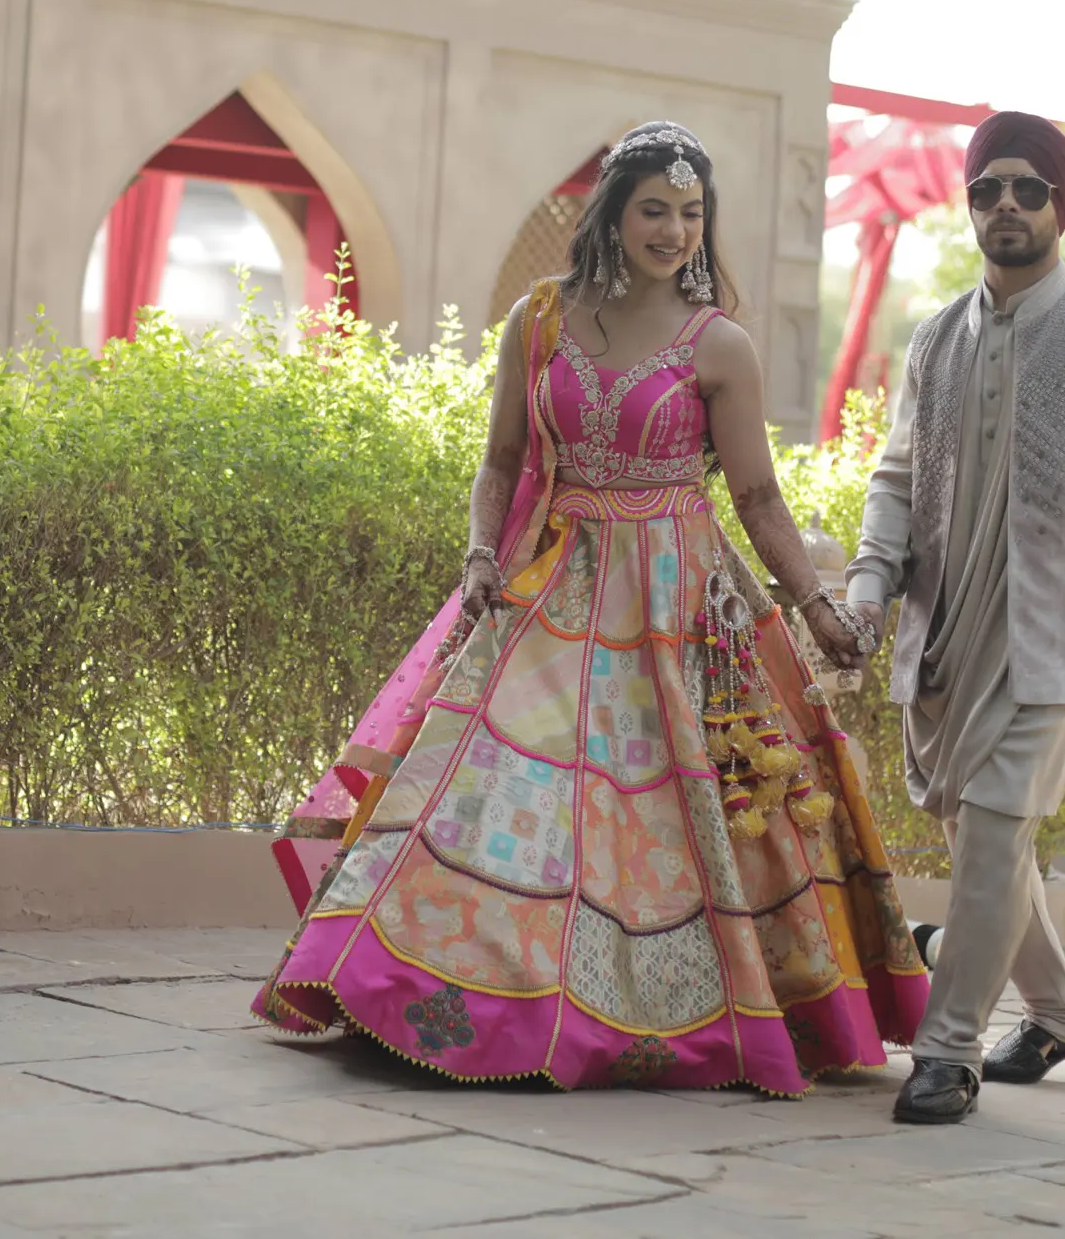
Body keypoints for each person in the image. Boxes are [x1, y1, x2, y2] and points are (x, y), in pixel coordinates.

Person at [254, 122, 928, 1094]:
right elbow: (501, 462)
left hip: (677, 606)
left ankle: (653, 1011)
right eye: (653, 209)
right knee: (497, 785)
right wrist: (480, 555)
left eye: (690, 213)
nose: (673, 231)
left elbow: (756, 497)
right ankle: (441, 992)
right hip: (553, 587)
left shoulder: (720, 344)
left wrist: (816, 607)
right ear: (612, 212)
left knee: (667, 811)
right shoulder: (541, 320)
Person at [846, 110, 1065, 1125]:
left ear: (1058, 207)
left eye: (1027, 189)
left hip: (1053, 632)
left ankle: (947, 1050)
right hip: (948, 631)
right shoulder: (936, 337)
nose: (1005, 205)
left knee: (993, 828)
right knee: (982, 837)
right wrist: (869, 580)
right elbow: (896, 476)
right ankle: (1059, 1013)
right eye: (986, 189)